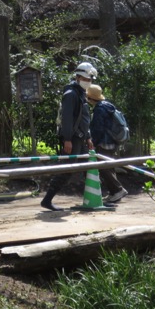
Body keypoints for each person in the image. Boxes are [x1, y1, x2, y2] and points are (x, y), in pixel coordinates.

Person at [40, 62, 97, 212]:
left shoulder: (80, 93)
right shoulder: (71, 94)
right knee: (67, 169)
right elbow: (67, 119)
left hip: (81, 138)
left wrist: (88, 136)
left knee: (89, 167)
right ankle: (47, 199)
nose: (88, 82)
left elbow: (84, 118)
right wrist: (67, 139)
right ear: (78, 77)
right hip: (72, 138)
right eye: (86, 79)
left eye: (90, 80)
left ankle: (95, 197)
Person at [87, 84, 128, 203]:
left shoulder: (99, 109)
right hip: (113, 141)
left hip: (104, 142)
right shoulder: (108, 106)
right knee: (109, 167)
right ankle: (114, 192)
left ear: (90, 98)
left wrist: (94, 142)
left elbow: (98, 128)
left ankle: (118, 190)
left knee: (104, 167)